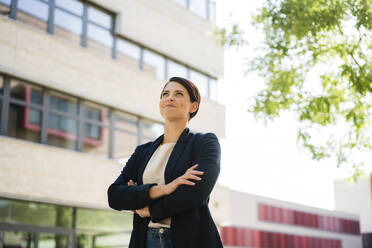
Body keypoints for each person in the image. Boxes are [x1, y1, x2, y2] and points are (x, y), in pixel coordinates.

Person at [107, 77, 223, 248]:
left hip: (189, 241)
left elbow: (195, 193)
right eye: (165, 94)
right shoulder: (143, 152)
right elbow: (115, 196)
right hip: (145, 240)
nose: (170, 98)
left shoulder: (204, 143)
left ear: (193, 106)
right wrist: (164, 189)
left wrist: (149, 210)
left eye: (178, 94)